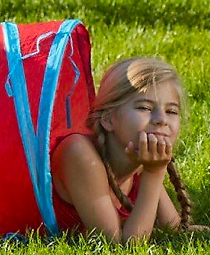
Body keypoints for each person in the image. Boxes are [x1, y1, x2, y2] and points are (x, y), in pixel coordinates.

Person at [51, 56, 191, 242]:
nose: (161, 119)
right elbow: (118, 243)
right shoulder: (79, 154)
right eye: (144, 108)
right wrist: (154, 173)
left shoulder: (140, 159)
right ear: (108, 118)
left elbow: (173, 227)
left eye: (171, 111)